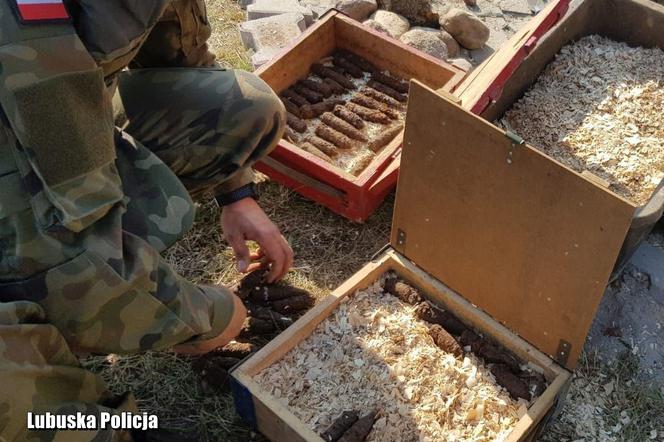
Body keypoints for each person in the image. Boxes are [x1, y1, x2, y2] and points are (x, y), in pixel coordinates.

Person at [0, 0, 291, 439]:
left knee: (241, 108)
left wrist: (237, 193)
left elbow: (185, 57)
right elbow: (68, 259)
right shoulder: (18, 37)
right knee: (27, 407)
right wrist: (202, 317)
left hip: (51, 141)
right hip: (18, 170)